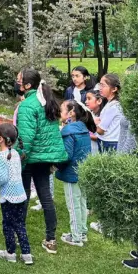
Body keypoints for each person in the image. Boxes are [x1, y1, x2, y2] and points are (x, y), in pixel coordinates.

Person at [15, 68, 68, 254]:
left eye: (19, 80)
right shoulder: (46, 102)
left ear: (27, 85)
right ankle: (51, 239)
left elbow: (25, 139)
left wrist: (17, 157)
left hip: (30, 158)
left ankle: (19, 236)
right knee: (46, 197)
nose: (17, 83)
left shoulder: (27, 106)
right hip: (44, 159)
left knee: (22, 198)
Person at [0, 123, 32, 265]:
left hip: (8, 198)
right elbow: (9, 166)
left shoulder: (1, 157)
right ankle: (26, 253)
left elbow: (2, 178)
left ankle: (10, 253)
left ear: (0, 139)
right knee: (20, 224)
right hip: (20, 195)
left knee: (8, 225)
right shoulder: (15, 153)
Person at [56, 100, 95, 247]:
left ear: (71, 112)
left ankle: (76, 236)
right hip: (83, 170)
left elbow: (66, 155)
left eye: (62, 109)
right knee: (81, 202)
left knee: (73, 204)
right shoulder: (82, 128)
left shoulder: (69, 131)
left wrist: (55, 165)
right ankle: (82, 232)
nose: (60, 112)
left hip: (72, 173)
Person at [94, 74, 122, 152]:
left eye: (103, 85)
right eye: (100, 84)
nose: (100, 88)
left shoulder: (113, 106)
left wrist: (93, 123)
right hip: (108, 141)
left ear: (114, 89)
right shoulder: (110, 103)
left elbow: (100, 130)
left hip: (109, 143)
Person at [85, 89, 107, 155]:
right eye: (86, 99)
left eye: (89, 99)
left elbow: (102, 136)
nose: (86, 101)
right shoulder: (90, 114)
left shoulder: (103, 117)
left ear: (99, 101)